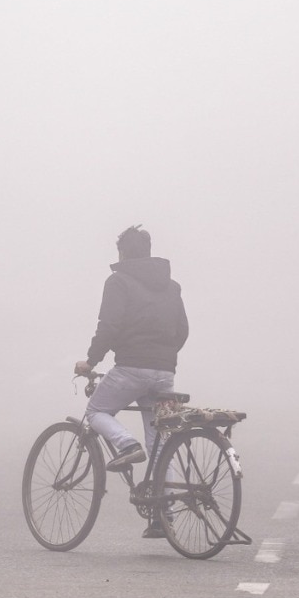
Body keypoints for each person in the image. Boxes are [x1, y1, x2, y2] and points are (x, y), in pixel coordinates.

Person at [74, 225, 189, 537]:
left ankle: (127, 444)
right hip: (165, 372)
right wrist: (162, 357)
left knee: (96, 411)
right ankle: (163, 515)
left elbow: (109, 326)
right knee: (160, 441)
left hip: (131, 368)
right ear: (148, 252)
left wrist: (91, 361)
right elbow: (182, 331)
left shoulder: (118, 281)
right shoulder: (172, 286)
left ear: (122, 253)